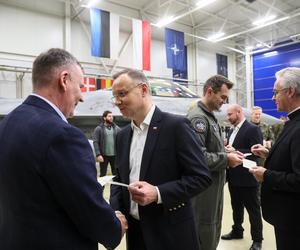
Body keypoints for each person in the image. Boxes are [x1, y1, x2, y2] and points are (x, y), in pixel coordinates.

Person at [0, 48, 127, 250]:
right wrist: (114, 226)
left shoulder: (8, 123)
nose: (82, 97)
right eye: (80, 86)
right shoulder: (63, 136)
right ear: (64, 80)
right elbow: (87, 208)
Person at [109, 69, 212, 250]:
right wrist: (117, 211)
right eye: (115, 96)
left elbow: (201, 177)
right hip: (136, 234)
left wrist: (158, 193)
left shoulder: (176, 127)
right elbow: (118, 180)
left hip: (171, 233)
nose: (117, 101)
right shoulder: (123, 135)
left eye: (122, 94)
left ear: (143, 90)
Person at [187, 75, 244, 250]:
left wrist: (225, 150)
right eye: (223, 97)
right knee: (204, 230)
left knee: (212, 228)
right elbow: (198, 157)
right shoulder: (199, 118)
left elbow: (208, 147)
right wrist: (226, 159)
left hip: (214, 186)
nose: (224, 102)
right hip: (204, 190)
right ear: (210, 91)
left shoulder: (210, 116)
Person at [250, 67, 300, 250]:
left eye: (275, 92)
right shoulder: (292, 122)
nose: (273, 98)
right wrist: (269, 154)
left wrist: (266, 175)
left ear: (291, 91)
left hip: (293, 220)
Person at [221, 104, 263, 250]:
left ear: (239, 112)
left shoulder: (253, 129)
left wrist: (235, 150)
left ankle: (257, 240)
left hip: (247, 177)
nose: (228, 118)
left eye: (230, 114)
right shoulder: (232, 130)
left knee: (253, 210)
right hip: (233, 176)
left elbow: (256, 154)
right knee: (236, 207)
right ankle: (237, 230)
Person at [93, 110, 120, 176]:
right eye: (109, 116)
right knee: (103, 174)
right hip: (103, 156)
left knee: (116, 175)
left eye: (112, 116)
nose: (111, 118)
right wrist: (98, 154)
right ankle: (101, 187)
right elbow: (95, 142)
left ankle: (114, 186)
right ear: (104, 118)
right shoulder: (99, 129)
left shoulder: (116, 128)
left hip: (115, 156)